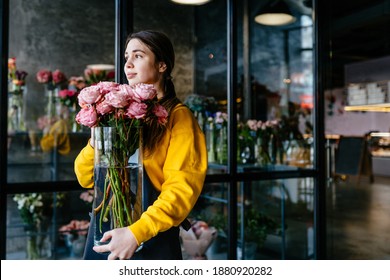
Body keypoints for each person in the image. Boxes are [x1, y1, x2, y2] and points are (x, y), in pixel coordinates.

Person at [74, 30, 208, 260]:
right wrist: (97, 141)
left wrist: (136, 233)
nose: (128, 64)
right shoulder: (122, 115)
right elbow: (84, 176)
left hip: (149, 237)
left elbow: (181, 189)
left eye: (138, 56)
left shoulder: (179, 117)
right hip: (106, 234)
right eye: (127, 56)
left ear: (162, 65)